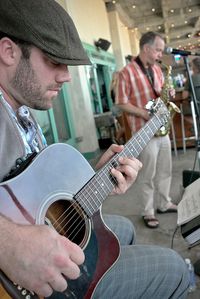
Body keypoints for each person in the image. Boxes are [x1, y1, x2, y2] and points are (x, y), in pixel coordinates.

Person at [0, 2, 189, 299]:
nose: (66, 76)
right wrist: (10, 245)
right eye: (53, 61)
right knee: (175, 267)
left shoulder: (22, 110)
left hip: (49, 237)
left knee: (122, 229)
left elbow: (35, 197)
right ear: (9, 52)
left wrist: (95, 177)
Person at [115, 31, 177, 229]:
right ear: (146, 48)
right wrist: (143, 113)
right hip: (144, 133)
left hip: (162, 129)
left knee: (165, 170)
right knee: (147, 175)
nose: (160, 54)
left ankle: (164, 203)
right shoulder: (126, 72)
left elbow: (158, 92)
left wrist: (168, 92)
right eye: (158, 50)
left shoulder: (157, 70)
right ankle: (148, 212)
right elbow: (121, 102)